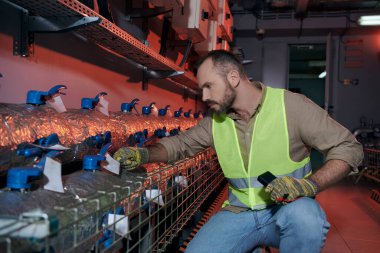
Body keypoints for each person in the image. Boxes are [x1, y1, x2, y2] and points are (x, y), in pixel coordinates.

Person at [113, 50, 363, 253]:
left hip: (286, 210)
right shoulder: (216, 120)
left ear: (233, 78)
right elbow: (180, 145)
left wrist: (309, 185)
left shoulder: (291, 107)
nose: (205, 95)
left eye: (209, 86)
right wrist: (144, 154)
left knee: (308, 218)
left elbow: (349, 148)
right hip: (239, 212)